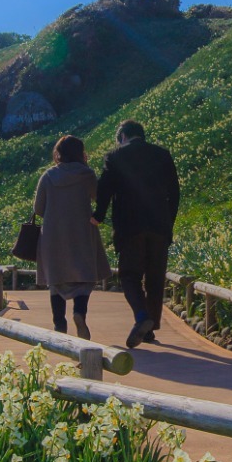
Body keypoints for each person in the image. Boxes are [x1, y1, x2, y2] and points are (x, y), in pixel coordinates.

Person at [93, 119, 179, 349]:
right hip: (160, 226)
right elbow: (174, 192)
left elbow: (104, 191)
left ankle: (142, 317)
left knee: (129, 275)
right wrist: (168, 222)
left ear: (122, 136)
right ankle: (149, 328)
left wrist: (98, 217)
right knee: (155, 277)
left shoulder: (115, 157)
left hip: (130, 227)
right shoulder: (162, 154)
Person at [33, 134, 111, 339]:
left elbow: (38, 208)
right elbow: (98, 197)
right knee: (85, 277)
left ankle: (59, 324)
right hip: (82, 231)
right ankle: (79, 313)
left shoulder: (48, 176)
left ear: (58, 154)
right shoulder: (86, 174)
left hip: (53, 235)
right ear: (80, 153)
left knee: (56, 280)